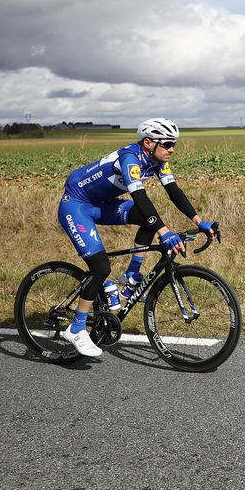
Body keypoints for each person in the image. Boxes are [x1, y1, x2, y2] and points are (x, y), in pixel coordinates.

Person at [57, 117, 217, 357]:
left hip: (102, 203)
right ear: (148, 142)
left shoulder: (156, 161)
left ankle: (131, 277)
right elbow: (141, 199)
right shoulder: (130, 159)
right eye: (167, 144)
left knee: (147, 219)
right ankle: (77, 327)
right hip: (77, 205)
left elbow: (174, 191)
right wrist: (165, 232)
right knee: (100, 267)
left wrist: (198, 221)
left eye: (174, 144)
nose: (172, 149)